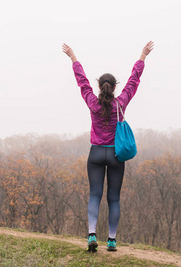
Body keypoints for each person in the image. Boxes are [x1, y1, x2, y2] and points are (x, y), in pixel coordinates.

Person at [62, 41, 154, 252]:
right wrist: (142, 56)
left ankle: (92, 234)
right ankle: (111, 240)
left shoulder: (92, 103)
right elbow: (134, 80)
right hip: (115, 155)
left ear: (99, 87)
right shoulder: (120, 103)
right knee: (113, 197)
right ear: (114, 88)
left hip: (95, 153)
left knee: (95, 194)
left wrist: (73, 57)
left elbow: (81, 81)